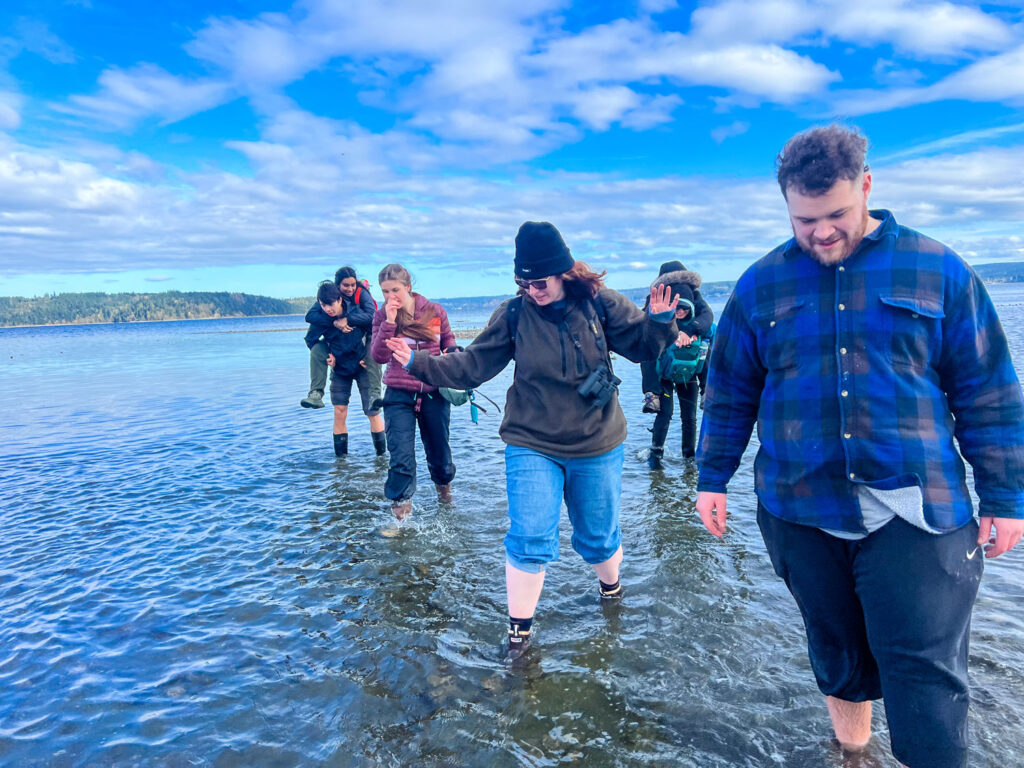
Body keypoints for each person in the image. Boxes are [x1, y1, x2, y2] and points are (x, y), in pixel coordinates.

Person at [695, 125, 1024, 768]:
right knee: (836, 650)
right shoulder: (760, 286)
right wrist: (712, 477)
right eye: (804, 219)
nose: (821, 232)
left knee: (923, 670)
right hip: (800, 508)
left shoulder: (940, 269)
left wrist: (1005, 494)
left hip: (920, 511)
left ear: (866, 187)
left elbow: (988, 392)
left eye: (837, 215)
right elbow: (730, 390)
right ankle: (855, 757)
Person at [383, 222, 678, 658]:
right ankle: (519, 639)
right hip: (531, 440)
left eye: (539, 281)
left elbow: (643, 347)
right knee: (530, 536)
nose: (533, 289)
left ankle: (611, 592)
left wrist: (659, 322)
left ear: (563, 272)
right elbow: (473, 365)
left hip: (597, 440)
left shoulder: (599, 303)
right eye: (524, 282)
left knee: (597, 537)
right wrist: (420, 363)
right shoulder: (515, 313)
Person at [370, 264, 457, 520]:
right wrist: (389, 321)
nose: (390, 297)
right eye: (385, 291)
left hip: (433, 393)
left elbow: (448, 341)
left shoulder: (434, 311)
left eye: (395, 290)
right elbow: (378, 355)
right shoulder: (381, 316)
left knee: (440, 455)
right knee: (400, 458)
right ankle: (401, 522)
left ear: (408, 287)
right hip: (398, 393)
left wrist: (452, 352)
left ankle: (446, 501)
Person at [638, 263, 714, 469]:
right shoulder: (654, 300)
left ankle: (689, 459)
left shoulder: (695, 298)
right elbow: (643, 324)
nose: (679, 310)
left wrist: (691, 331)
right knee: (666, 412)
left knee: (689, 417)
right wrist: (672, 332)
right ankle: (656, 453)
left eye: (683, 307)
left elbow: (708, 318)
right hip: (663, 371)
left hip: (688, 370)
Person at [303, 281, 386, 457]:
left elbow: (375, 332)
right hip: (340, 368)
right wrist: (328, 356)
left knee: (372, 412)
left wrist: (368, 357)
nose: (327, 309)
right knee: (339, 412)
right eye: (323, 305)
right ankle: (341, 464)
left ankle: (382, 458)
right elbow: (310, 340)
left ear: (340, 300)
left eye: (330, 304)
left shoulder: (356, 313)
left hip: (362, 366)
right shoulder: (322, 320)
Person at [300, 267, 382, 410]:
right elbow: (309, 324)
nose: (350, 289)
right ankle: (315, 393)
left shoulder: (360, 295)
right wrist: (328, 354)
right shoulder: (326, 301)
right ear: (338, 286)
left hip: (366, 334)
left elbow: (372, 317)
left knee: (373, 348)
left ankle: (375, 393)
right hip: (339, 354)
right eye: (346, 285)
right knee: (316, 349)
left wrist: (348, 319)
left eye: (352, 285)